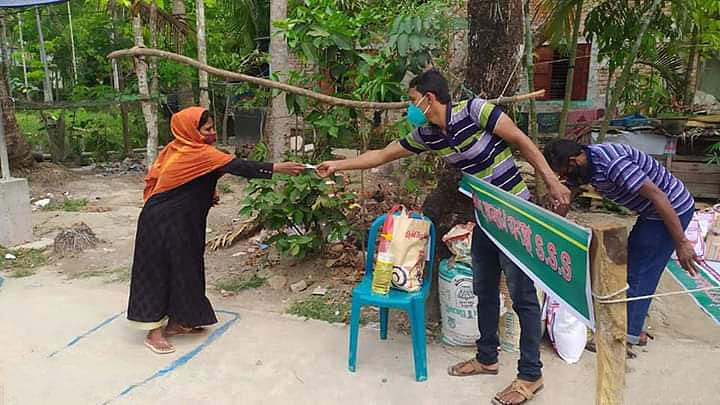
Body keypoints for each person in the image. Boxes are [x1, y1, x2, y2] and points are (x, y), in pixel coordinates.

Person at [317, 70, 571, 405]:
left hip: (515, 215)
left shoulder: (476, 111)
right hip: (484, 217)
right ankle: (487, 357)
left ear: (429, 98)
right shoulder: (428, 135)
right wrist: (339, 166)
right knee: (483, 289)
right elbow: (380, 155)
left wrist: (552, 182)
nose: (410, 107)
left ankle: (530, 374)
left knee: (523, 296)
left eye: (412, 100)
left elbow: (522, 141)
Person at [128, 106, 305, 354]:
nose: (212, 133)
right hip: (161, 221)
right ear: (190, 130)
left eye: (212, 127)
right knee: (158, 271)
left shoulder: (187, 150)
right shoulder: (191, 152)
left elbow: (192, 180)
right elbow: (240, 166)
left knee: (186, 268)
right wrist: (278, 168)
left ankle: (178, 321)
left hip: (185, 222)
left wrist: (208, 193)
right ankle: (153, 332)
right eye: (207, 129)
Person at [543, 139, 697, 349]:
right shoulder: (584, 166)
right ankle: (634, 329)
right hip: (650, 212)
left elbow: (658, 196)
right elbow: (566, 196)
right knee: (634, 266)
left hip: (670, 209)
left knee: (640, 271)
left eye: (564, 172)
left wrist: (682, 242)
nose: (564, 178)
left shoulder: (613, 164)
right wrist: (552, 226)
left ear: (574, 161)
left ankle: (624, 337)